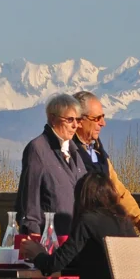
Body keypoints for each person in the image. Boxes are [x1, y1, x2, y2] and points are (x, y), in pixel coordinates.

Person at [73, 90, 140, 235]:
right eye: (97, 118)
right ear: (80, 121)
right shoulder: (67, 152)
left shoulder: (98, 151)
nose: (103, 123)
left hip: (104, 229)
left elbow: (117, 190)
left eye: (103, 117)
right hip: (81, 232)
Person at [16, 93, 87, 236]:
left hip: (75, 240)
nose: (75, 125)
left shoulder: (75, 152)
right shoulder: (38, 149)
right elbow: (30, 199)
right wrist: (33, 235)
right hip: (48, 239)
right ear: (53, 118)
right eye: (69, 119)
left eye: (77, 120)